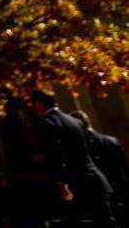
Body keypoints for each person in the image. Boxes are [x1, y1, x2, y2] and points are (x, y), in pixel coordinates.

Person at [28, 90, 115, 227]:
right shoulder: (74, 121)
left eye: (32, 104)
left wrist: (61, 183)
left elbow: (55, 155)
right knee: (105, 221)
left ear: (38, 104)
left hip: (75, 184)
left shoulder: (48, 123)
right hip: (93, 178)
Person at [70, 109, 129, 225]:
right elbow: (125, 168)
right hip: (121, 191)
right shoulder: (112, 140)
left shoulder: (82, 145)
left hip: (101, 195)